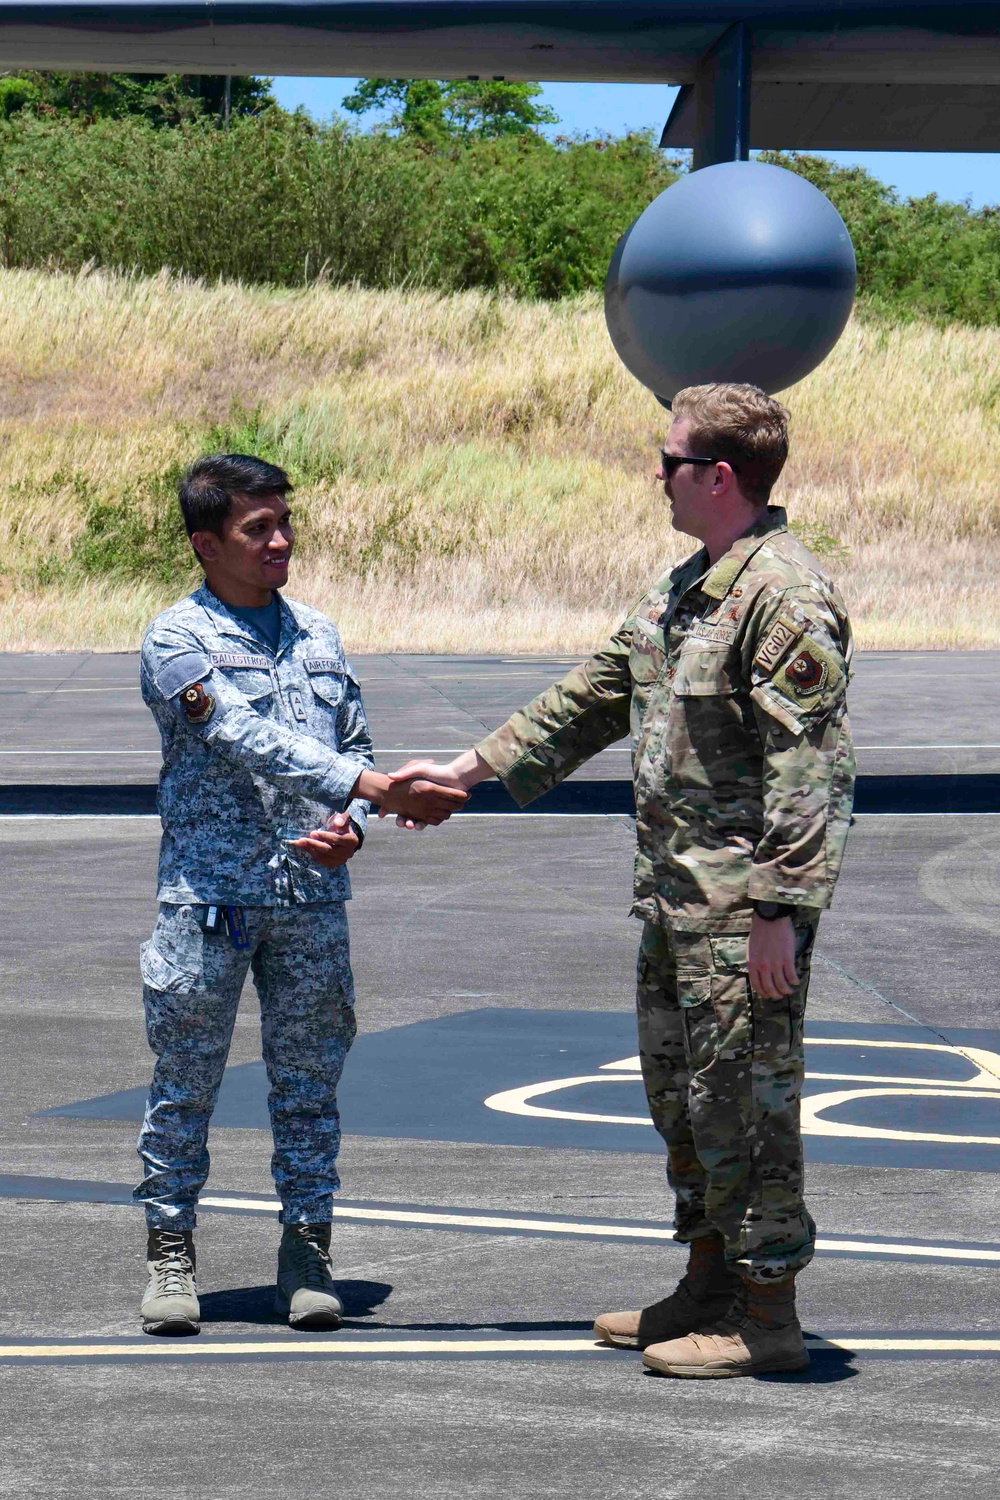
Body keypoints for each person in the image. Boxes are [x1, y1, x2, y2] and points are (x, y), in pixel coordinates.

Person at [388, 384, 855, 1378]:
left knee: (746, 1109)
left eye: (671, 460)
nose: (658, 475)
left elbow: (807, 770)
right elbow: (598, 691)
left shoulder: (783, 596)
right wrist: (465, 771)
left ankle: (765, 1313)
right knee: (682, 1105)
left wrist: (778, 907)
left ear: (718, 476)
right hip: (677, 904)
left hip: (740, 915)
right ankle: (708, 1283)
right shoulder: (687, 588)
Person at [136, 452, 465, 1336]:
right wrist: (375, 789)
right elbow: (246, 740)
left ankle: (307, 1250)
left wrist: (352, 828)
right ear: (207, 544)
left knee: (310, 1089)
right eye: (258, 528)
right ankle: (172, 1252)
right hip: (210, 903)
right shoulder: (177, 642)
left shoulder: (318, 634)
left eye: (285, 522)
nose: (281, 540)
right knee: (186, 1086)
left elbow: (351, 736)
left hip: (311, 906)